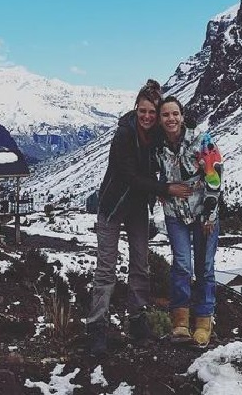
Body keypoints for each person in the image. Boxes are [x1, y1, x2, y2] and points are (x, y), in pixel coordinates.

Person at [85, 79, 192, 356]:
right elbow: (129, 176)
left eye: (152, 113)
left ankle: (137, 319)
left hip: (137, 209)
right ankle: (97, 327)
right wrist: (165, 189)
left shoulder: (155, 136)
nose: (147, 116)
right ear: (136, 109)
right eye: (143, 111)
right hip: (112, 206)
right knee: (106, 267)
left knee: (140, 264)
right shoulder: (124, 134)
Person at [156, 95, 224, 348]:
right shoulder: (158, 145)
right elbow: (154, 175)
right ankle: (180, 322)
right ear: (161, 120)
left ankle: (204, 322)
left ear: (182, 116)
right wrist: (163, 190)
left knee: (205, 267)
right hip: (175, 215)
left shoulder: (201, 140)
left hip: (202, 215)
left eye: (175, 114)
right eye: (166, 115)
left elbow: (215, 175)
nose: (171, 119)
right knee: (182, 265)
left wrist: (210, 215)